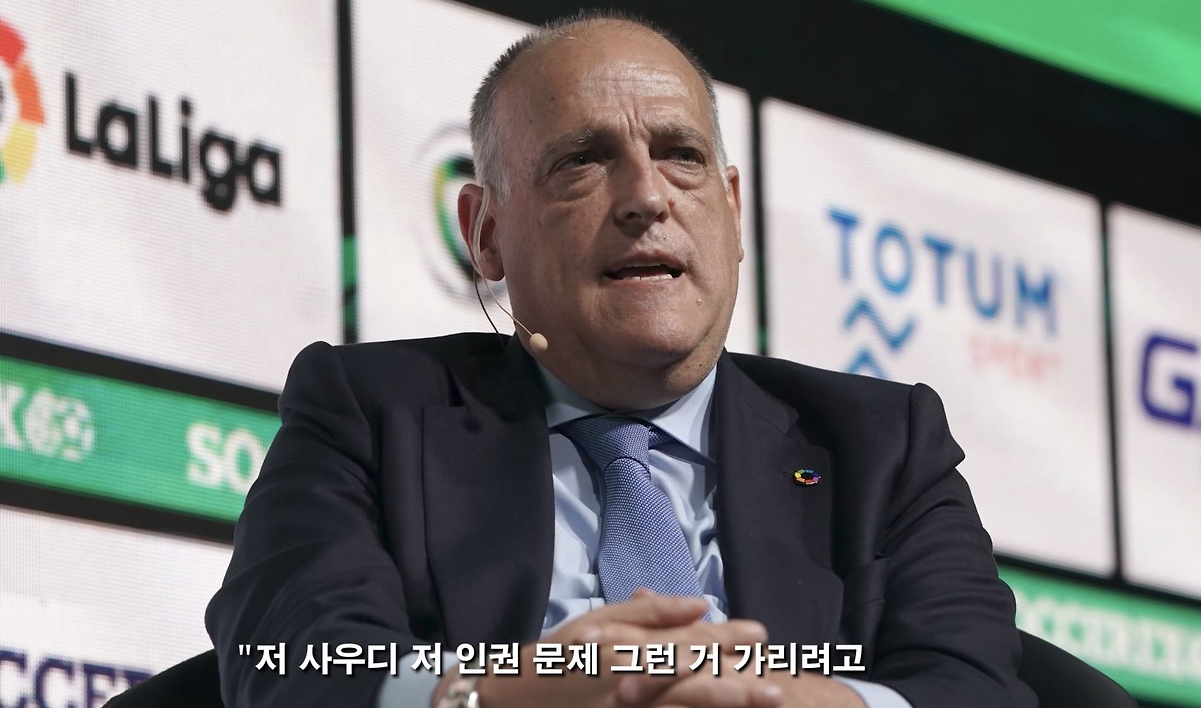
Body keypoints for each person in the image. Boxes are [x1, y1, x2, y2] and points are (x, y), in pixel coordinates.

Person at [205, 11, 1034, 708]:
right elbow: (289, 662)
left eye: (682, 156)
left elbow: (976, 685)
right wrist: (503, 696)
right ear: (486, 234)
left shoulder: (882, 443)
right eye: (583, 161)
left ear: (732, 212)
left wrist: (773, 701)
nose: (646, 197)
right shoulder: (370, 413)